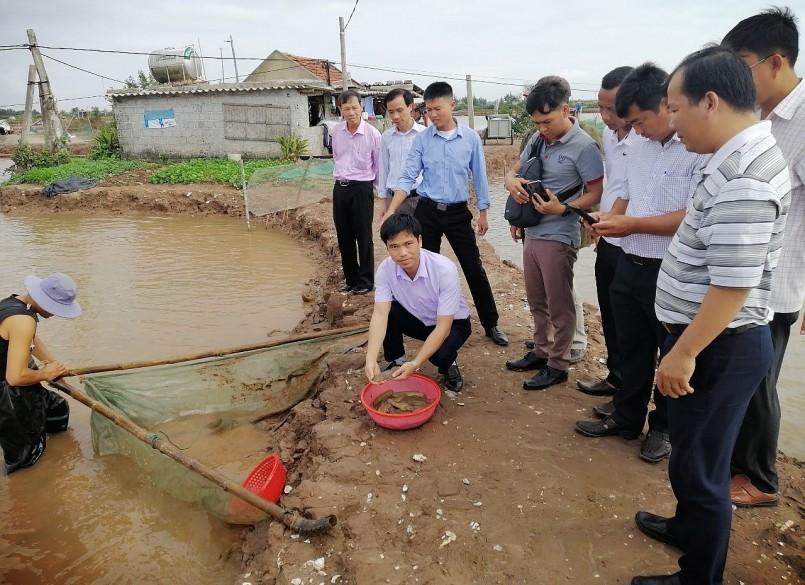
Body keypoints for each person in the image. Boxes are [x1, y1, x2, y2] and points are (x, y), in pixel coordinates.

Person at [631, 45, 790, 585]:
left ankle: (698, 575)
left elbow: (732, 285)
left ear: (711, 101)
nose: (671, 122)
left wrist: (682, 352)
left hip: (717, 347)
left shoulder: (745, 174)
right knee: (689, 455)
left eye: (675, 108)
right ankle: (688, 527)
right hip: (706, 341)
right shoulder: (730, 156)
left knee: (702, 468)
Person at [574, 63, 706, 463]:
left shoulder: (699, 149)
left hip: (671, 272)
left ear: (666, 105)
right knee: (631, 348)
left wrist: (631, 223)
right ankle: (626, 417)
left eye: (639, 120)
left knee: (670, 353)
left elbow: (693, 216)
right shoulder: (637, 146)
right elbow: (626, 194)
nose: (635, 129)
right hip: (630, 261)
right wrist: (610, 219)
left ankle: (663, 427)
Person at [722, 6, 805, 508]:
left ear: (775, 62)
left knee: (760, 384)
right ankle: (737, 463)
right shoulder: (759, 119)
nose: (735, 76)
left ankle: (761, 479)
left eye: (742, 63)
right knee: (741, 379)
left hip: (778, 285)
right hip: (745, 281)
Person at [384, 81, 509, 347]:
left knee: (473, 267)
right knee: (425, 269)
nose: (433, 115)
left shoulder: (471, 138)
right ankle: (429, 321)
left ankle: (490, 323)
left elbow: (480, 176)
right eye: (428, 110)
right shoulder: (423, 139)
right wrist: (391, 210)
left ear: (452, 105)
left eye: (437, 108)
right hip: (427, 211)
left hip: (457, 213)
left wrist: (484, 212)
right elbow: (407, 177)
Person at [502, 76, 604, 390]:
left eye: (547, 121)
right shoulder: (536, 138)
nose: (542, 128)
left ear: (565, 109)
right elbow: (515, 170)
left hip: (559, 233)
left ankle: (558, 364)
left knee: (559, 303)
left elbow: (597, 192)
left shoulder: (584, 146)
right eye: (537, 122)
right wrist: (510, 182)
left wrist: (563, 209)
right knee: (536, 299)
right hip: (533, 230)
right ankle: (542, 350)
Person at [577, 66, 644, 400]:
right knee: (610, 312)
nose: (604, 116)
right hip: (609, 236)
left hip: (638, 243)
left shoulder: (647, 137)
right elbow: (613, 185)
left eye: (611, 108)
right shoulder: (607, 136)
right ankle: (616, 377)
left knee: (638, 327)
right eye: (600, 107)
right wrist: (600, 221)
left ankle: (637, 395)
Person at [364, 214, 471, 392]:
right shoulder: (385, 269)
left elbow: (444, 327)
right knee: (388, 311)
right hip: (418, 319)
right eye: (394, 247)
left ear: (419, 240)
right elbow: (380, 314)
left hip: (452, 324)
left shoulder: (444, 269)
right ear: (387, 248)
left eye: (408, 244)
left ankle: (449, 364)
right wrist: (370, 358)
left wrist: (415, 364)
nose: (402, 253)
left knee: (440, 355)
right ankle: (397, 359)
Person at [0, 272, 82, 474]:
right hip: (7, 391)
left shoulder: (16, 304)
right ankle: (23, 488)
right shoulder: (23, 320)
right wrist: (45, 374)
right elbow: (15, 377)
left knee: (57, 409)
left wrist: (52, 364)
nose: (55, 313)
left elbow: (32, 340)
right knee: (26, 455)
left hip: (14, 379)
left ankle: (55, 452)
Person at [331, 89, 381, 295]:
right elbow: (336, 156)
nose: (350, 112)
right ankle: (351, 279)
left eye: (354, 107)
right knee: (344, 236)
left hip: (362, 189)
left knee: (363, 235)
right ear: (340, 110)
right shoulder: (336, 132)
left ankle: (366, 281)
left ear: (361, 106)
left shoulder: (373, 135)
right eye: (346, 108)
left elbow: (378, 167)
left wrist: (372, 191)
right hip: (340, 188)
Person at [377, 88, 426, 217]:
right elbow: (383, 169)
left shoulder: (425, 135)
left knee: (422, 236)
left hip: (419, 199)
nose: (395, 117)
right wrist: (383, 201)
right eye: (391, 112)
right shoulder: (386, 137)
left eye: (399, 110)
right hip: (393, 201)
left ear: (411, 106)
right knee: (395, 236)